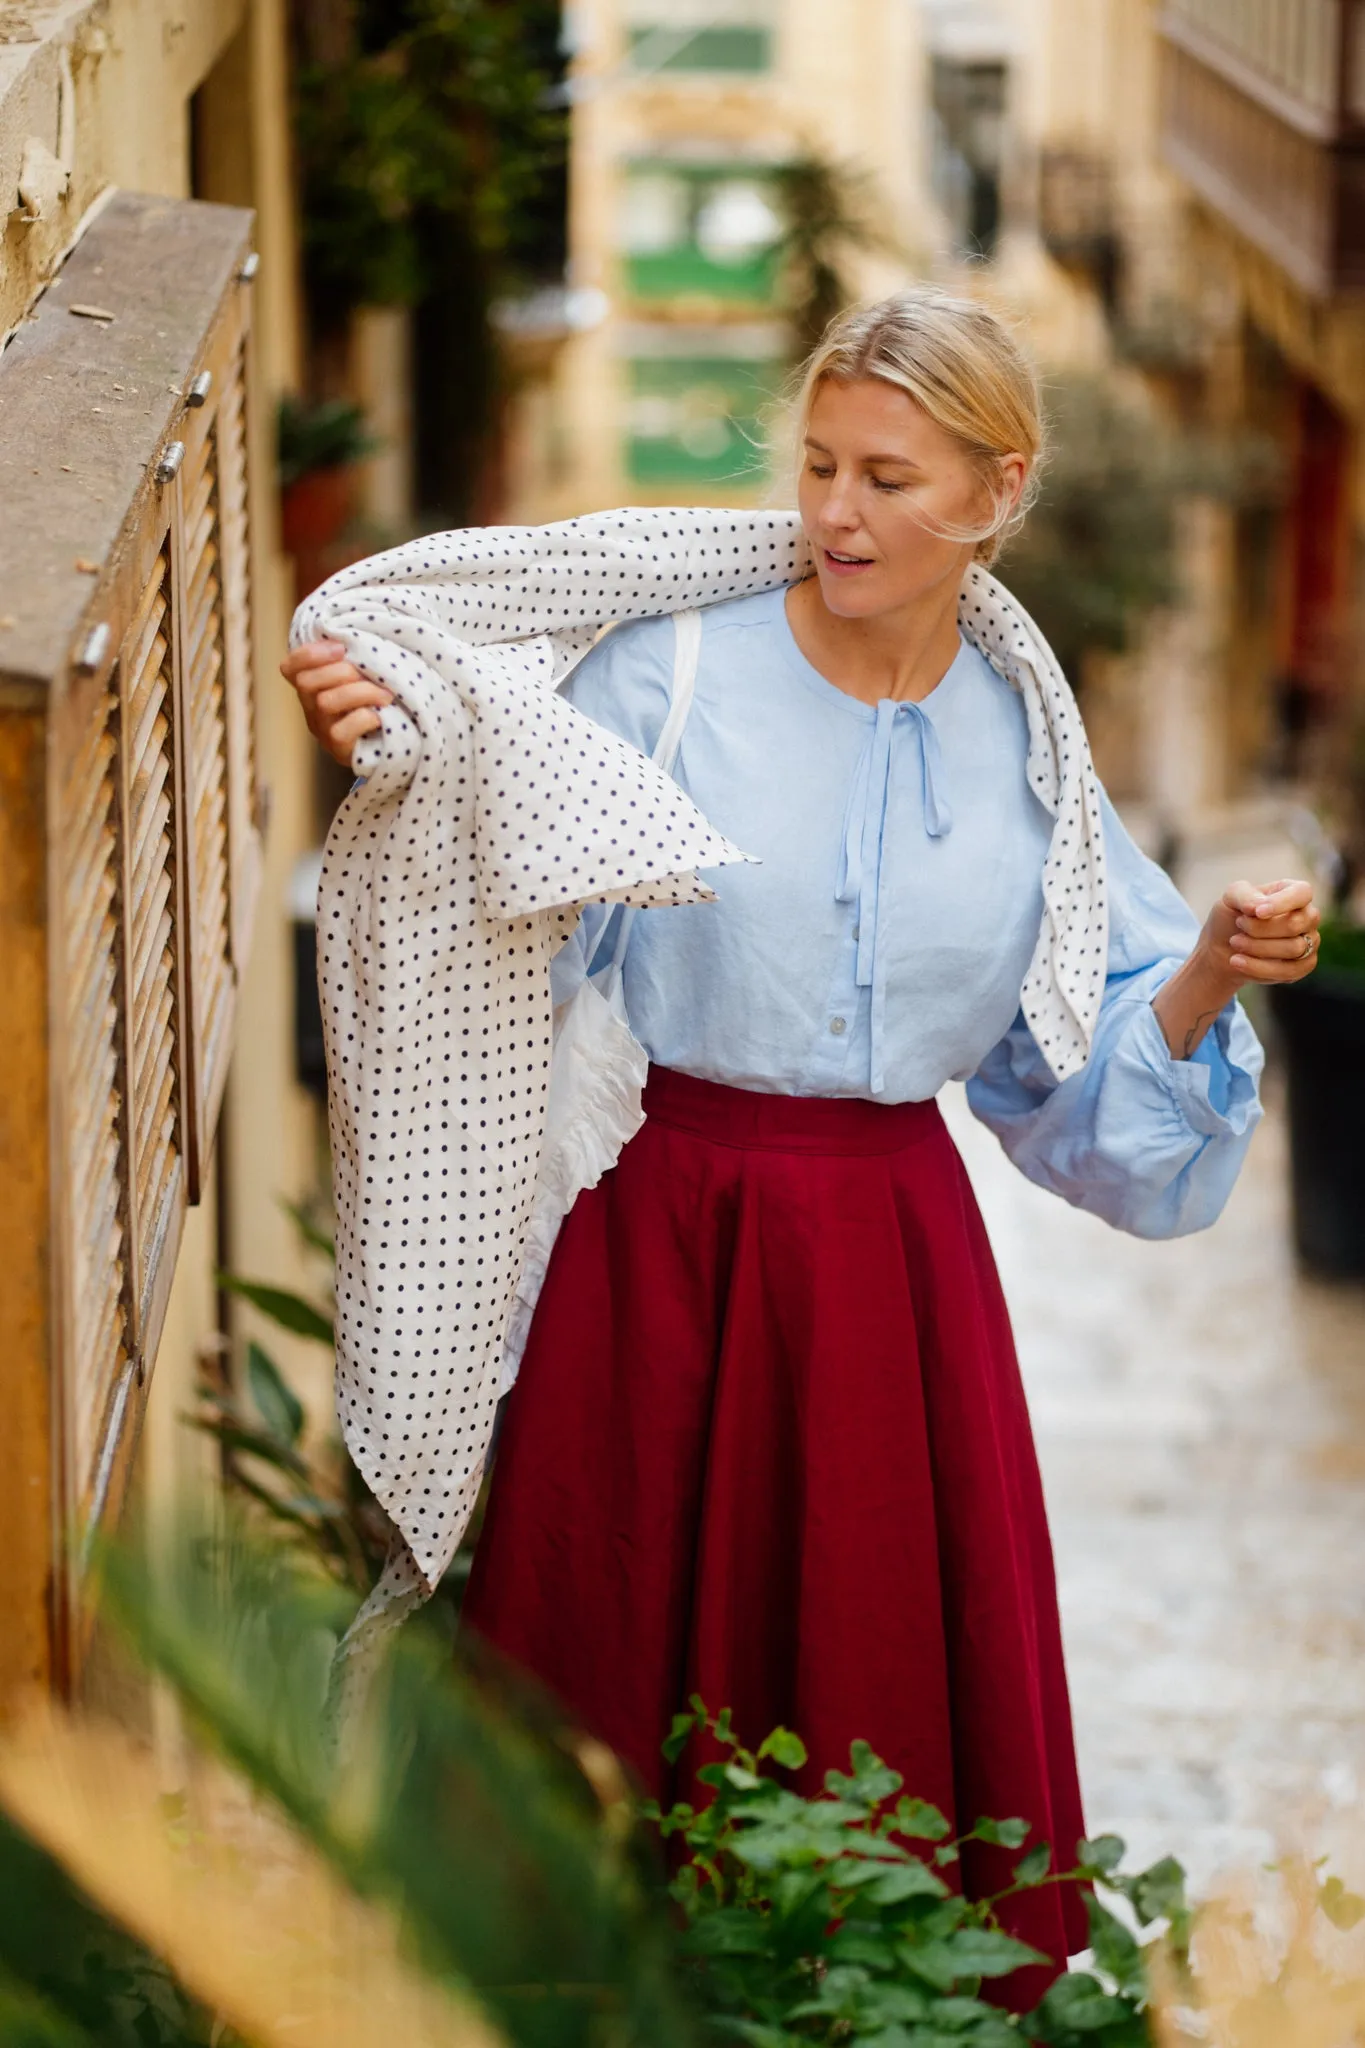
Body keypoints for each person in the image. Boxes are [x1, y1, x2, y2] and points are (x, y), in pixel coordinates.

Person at [282, 288, 1320, 1990]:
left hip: (897, 1281)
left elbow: (1085, 1115)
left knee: (888, 1710)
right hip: (658, 1249)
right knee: (607, 1702)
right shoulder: (668, 672)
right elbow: (492, 840)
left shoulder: (1030, 754)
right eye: (824, 464)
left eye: (891, 479)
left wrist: (1208, 968)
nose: (838, 510)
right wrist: (401, 741)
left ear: (1000, 489)